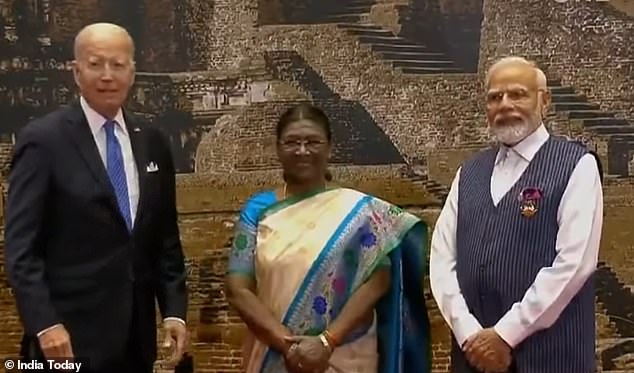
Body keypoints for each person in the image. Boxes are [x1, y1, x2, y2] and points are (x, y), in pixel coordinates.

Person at [4, 23, 188, 373]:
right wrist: (44, 324)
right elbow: (21, 250)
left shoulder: (151, 141)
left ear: (132, 72)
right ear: (76, 72)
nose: (107, 76)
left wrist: (175, 311)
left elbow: (165, 239)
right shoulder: (43, 141)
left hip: (136, 341)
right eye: (95, 64)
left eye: (118, 65)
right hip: (64, 342)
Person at [224, 103, 431, 373]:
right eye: (292, 142)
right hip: (273, 354)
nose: (302, 151)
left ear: (329, 148)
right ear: (277, 148)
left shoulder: (359, 212)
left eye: (312, 142)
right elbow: (238, 288)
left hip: (345, 354)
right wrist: (288, 345)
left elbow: (378, 281)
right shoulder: (257, 210)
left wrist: (326, 341)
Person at [429, 56, 603, 373]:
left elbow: (574, 264)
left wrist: (505, 334)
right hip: (474, 359)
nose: (505, 104)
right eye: (495, 97)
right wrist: (470, 335)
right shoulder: (469, 172)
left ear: (544, 101)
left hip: (552, 358)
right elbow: (442, 261)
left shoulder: (576, 165)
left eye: (518, 94)